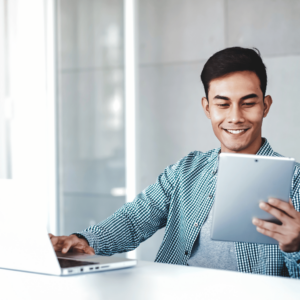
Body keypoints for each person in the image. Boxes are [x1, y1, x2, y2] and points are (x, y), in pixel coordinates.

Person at [50, 47, 300, 278]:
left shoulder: (294, 180)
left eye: (248, 103)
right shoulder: (187, 170)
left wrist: (296, 247)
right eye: (222, 104)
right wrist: (83, 239)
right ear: (207, 108)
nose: (235, 117)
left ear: (265, 106)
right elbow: (134, 219)